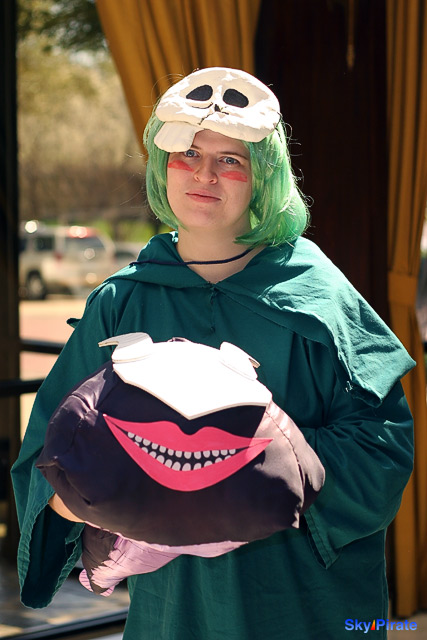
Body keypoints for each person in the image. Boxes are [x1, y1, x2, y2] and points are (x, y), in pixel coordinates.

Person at [12, 67, 415, 639]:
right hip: (172, 613)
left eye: (231, 159)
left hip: (305, 605)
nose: (205, 174)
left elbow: (383, 449)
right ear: (162, 164)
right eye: (188, 154)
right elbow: (50, 456)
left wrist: (245, 469)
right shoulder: (122, 301)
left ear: (265, 175)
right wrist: (108, 481)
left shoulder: (321, 296)